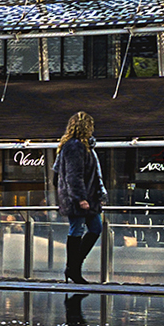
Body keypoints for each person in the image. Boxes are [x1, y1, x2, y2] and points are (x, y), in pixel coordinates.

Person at [52, 110, 106, 285]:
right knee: (77, 229)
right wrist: (80, 198)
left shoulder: (81, 146)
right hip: (79, 198)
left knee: (95, 228)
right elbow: (74, 175)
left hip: (88, 197)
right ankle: (73, 269)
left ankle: (73, 266)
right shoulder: (75, 147)